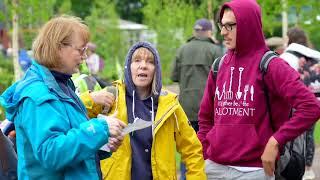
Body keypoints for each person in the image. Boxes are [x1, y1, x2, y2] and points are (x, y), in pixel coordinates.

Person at [197, 0, 320, 179]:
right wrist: (203, 154)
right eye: (221, 25)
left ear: (249, 24)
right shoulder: (219, 65)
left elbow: (310, 107)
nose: (223, 32)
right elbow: (205, 118)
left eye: (230, 26)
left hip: (254, 171)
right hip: (214, 168)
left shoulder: (272, 65)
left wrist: (275, 141)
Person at [0, 15, 126, 180]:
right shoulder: (37, 96)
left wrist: (101, 145)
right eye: (81, 50)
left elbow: (68, 142)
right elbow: (50, 153)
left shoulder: (62, 87)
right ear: (58, 48)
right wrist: (99, 129)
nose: (85, 56)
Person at [81, 41, 206, 180]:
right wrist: (91, 98)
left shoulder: (169, 105)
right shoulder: (111, 96)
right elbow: (71, 114)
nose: (143, 66)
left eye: (150, 62)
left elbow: (192, 149)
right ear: (128, 67)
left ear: (156, 69)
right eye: (137, 60)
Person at [170, 18, 222, 180]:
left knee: (187, 147)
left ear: (195, 31)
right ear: (209, 32)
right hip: (209, 109)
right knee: (208, 147)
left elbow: (173, 76)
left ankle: (185, 177)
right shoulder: (215, 50)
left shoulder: (182, 49)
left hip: (185, 107)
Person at [280, 27, 319, 180]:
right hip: (315, 102)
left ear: (290, 38)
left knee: (294, 139)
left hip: (296, 105)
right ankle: (309, 168)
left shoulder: (286, 57)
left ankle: (295, 167)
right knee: (309, 136)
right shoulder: (314, 56)